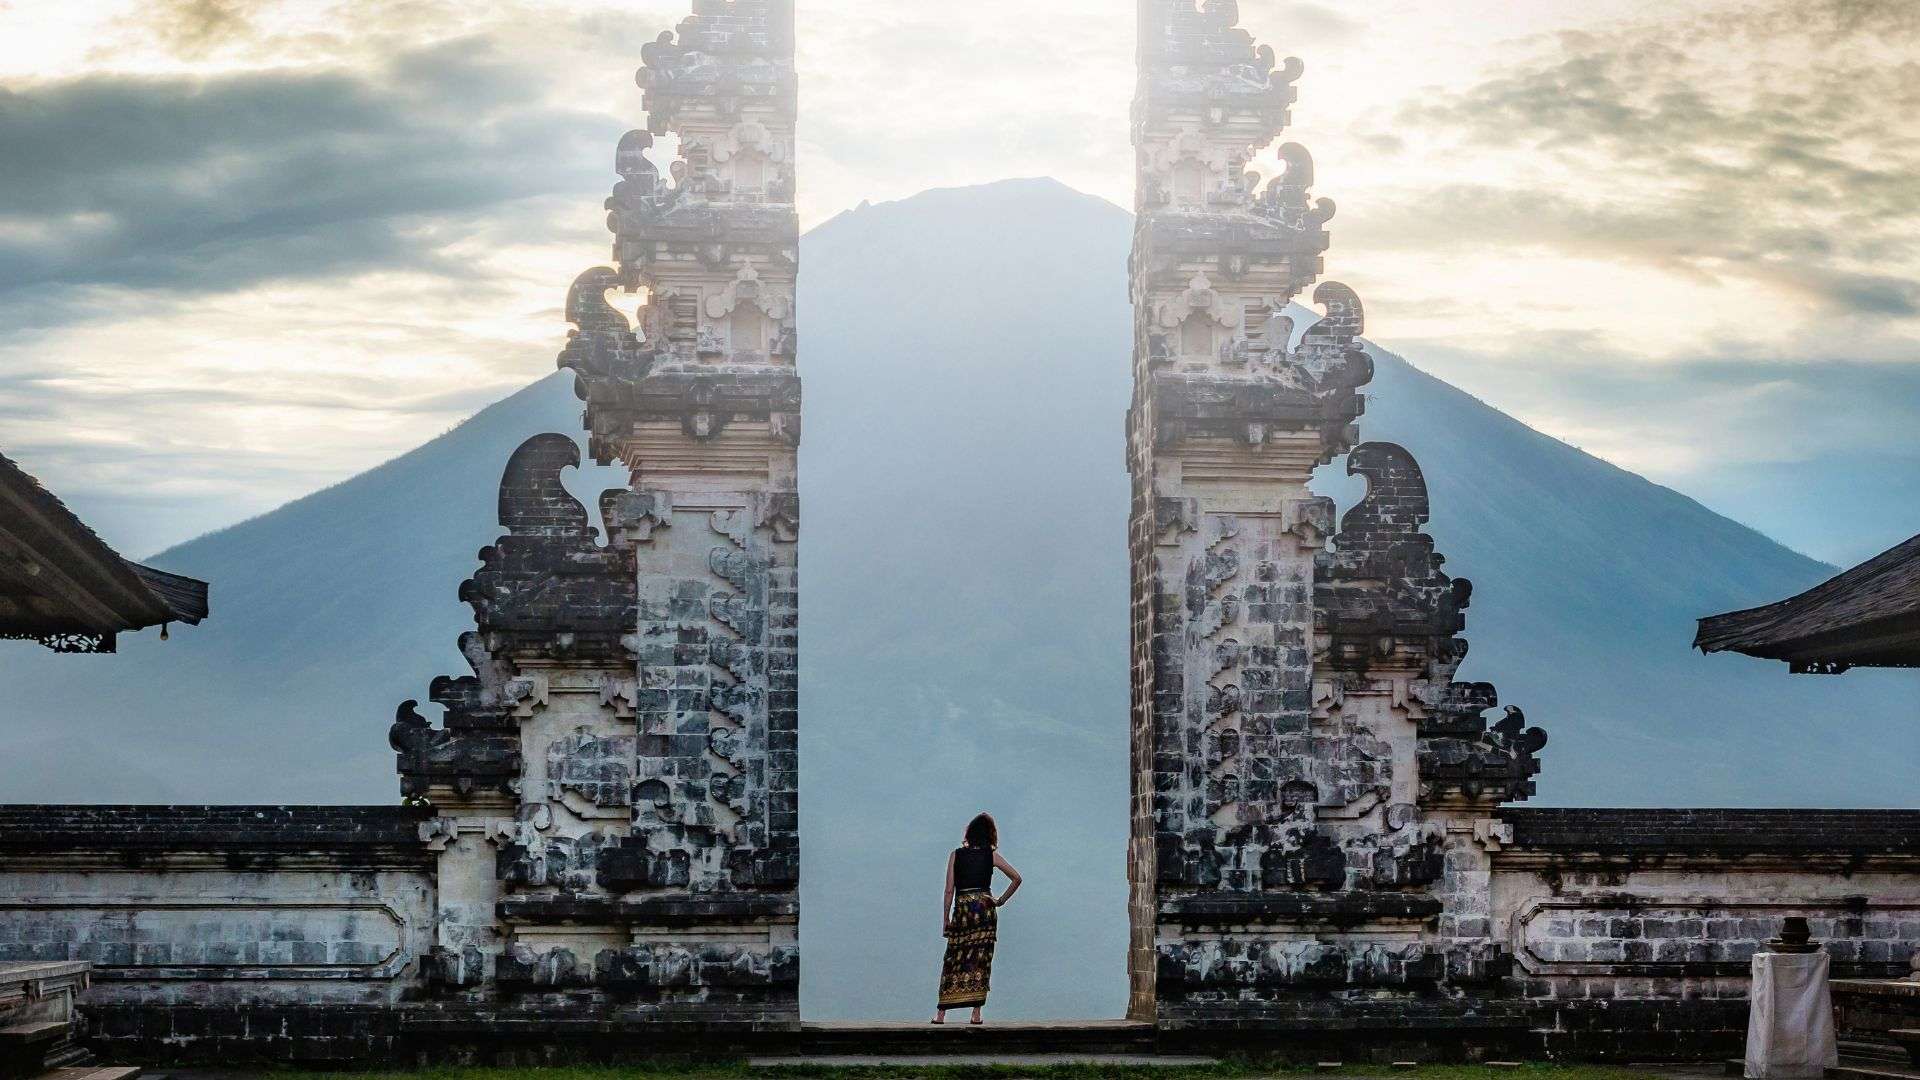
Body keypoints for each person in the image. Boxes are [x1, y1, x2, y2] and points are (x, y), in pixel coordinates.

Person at [932, 812, 1022, 1025]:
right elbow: (1017, 878)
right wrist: (999, 901)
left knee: (953, 958)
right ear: (990, 835)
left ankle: (941, 1014)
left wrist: (945, 918)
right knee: (980, 960)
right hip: (984, 910)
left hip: (963, 910)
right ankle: (976, 1013)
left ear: (969, 833)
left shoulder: (956, 855)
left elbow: (948, 891)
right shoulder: (991, 856)